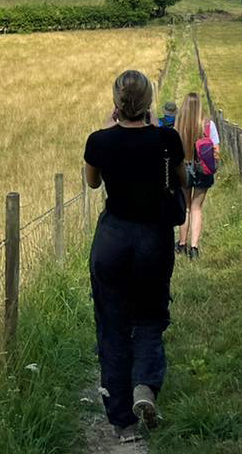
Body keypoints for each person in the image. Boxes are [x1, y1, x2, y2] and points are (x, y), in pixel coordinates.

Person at [84, 70, 185, 442]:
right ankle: (145, 384)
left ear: (116, 102)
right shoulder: (166, 138)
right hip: (153, 241)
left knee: (112, 325)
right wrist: (155, 131)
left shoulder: (99, 141)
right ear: (148, 102)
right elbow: (181, 182)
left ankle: (123, 422)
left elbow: (93, 182)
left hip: (113, 240)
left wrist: (107, 128)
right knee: (149, 316)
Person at [175, 92, 219, 258]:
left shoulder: (179, 126)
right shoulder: (208, 125)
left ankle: (181, 243)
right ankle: (194, 248)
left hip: (183, 168)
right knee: (196, 207)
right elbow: (216, 150)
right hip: (203, 169)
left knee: (185, 206)